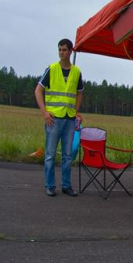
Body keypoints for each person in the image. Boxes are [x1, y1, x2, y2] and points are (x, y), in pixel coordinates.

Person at [34, 39, 83, 197]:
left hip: (69, 119)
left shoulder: (76, 72)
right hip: (53, 118)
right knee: (50, 154)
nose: (61, 52)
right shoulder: (52, 69)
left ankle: (66, 185)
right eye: (59, 50)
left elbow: (80, 92)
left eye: (64, 50)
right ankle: (50, 185)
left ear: (70, 51)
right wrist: (44, 112)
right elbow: (38, 91)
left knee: (68, 155)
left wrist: (76, 111)